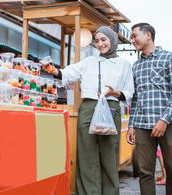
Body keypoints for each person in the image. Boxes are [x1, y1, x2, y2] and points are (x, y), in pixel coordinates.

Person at [45, 26, 134, 195]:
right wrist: (52, 69)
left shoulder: (124, 64)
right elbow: (68, 74)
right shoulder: (89, 62)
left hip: (111, 107)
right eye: (97, 41)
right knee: (87, 157)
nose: (100, 44)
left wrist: (116, 93)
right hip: (88, 108)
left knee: (109, 157)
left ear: (112, 40)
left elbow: (129, 91)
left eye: (104, 40)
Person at [126, 23, 172, 195]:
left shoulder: (170, 58)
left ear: (148, 35)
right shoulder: (136, 66)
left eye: (135, 35)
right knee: (145, 172)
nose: (132, 40)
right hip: (142, 125)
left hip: (168, 124)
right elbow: (136, 98)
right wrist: (131, 124)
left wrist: (163, 119)